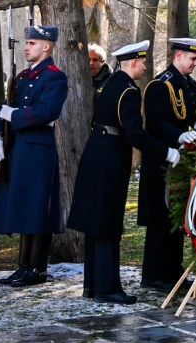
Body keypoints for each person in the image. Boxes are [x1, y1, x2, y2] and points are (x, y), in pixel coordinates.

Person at [68, 41, 180, 304]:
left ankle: (93, 286)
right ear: (132, 63)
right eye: (142, 63)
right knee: (107, 221)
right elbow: (134, 133)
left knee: (96, 222)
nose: (144, 67)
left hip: (95, 151)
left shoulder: (108, 84)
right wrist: (166, 151)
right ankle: (107, 288)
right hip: (111, 157)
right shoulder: (128, 91)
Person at [0, 23, 68, 287]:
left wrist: (17, 117)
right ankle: (23, 266)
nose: (26, 47)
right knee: (23, 204)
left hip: (38, 149)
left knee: (37, 208)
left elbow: (48, 111)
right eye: (27, 43)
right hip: (19, 148)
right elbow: (5, 106)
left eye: (32, 43)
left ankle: (38, 268)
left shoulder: (54, 76)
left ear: (46, 46)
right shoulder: (23, 76)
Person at [140, 38, 196, 289]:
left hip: (181, 159)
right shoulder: (161, 84)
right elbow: (156, 123)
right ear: (178, 55)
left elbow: (194, 114)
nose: (195, 63)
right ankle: (153, 274)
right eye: (192, 58)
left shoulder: (189, 84)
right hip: (161, 159)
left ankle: (172, 270)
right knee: (160, 218)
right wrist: (178, 136)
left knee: (176, 214)